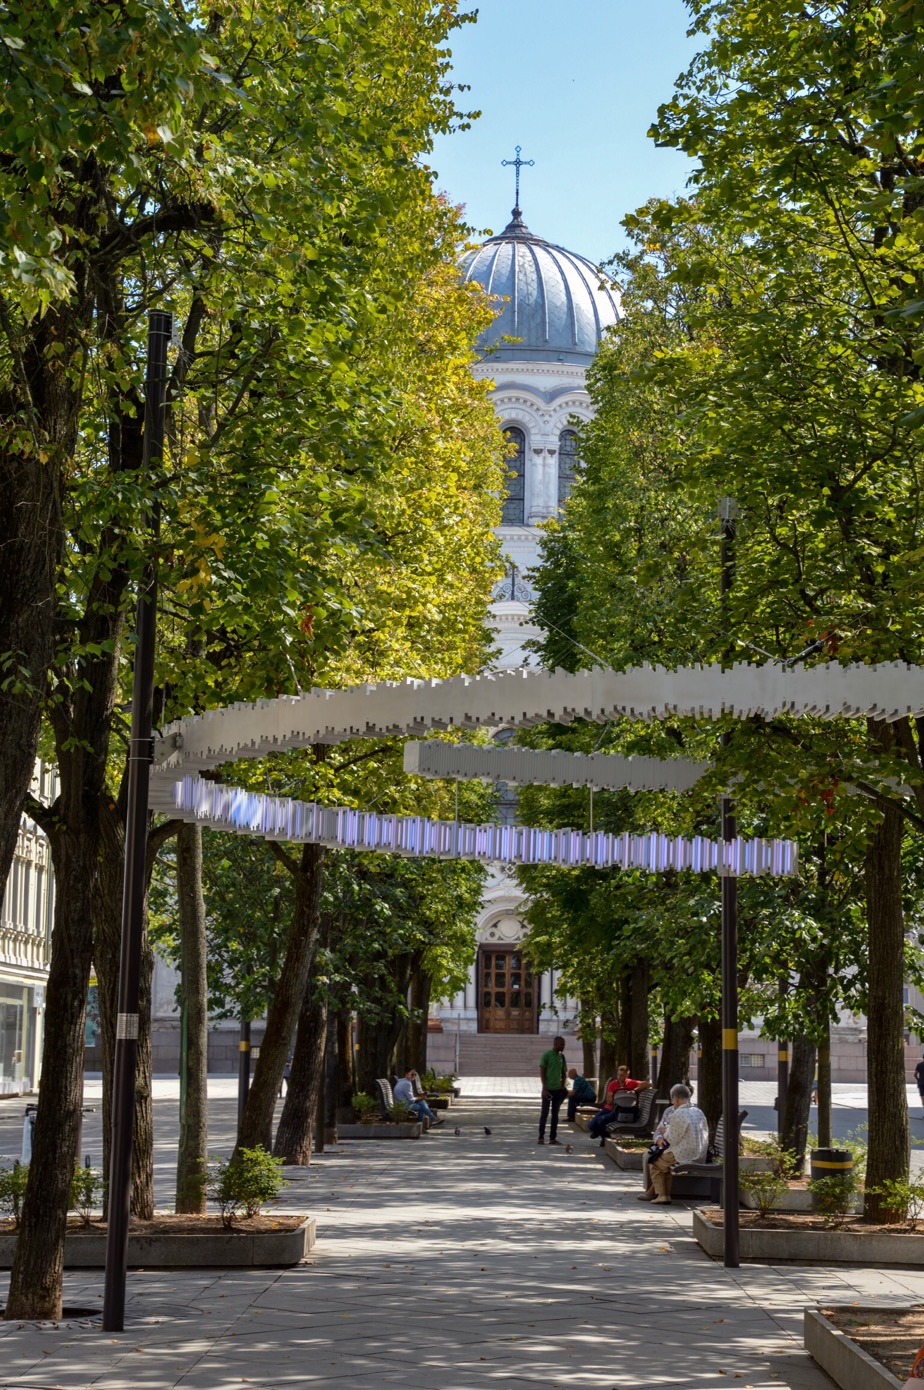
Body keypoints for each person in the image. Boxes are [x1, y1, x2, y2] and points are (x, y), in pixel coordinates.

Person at [637, 1083, 708, 1205]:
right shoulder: (698, 1111)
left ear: (677, 1099)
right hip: (700, 1152)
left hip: (684, 1153)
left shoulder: (678, 1114)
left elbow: (672, 1139)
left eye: (673, 1099)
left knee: (655, 1163)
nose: (672, 1102)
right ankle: (662, 1194)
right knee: (664, 1164)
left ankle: (662, 1195)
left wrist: (664, 1132)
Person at [587, 1065, 651, 1143]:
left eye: (622, 1075)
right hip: (610, 1108)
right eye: (618, 1075)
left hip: (621, 1111)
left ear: (627, 1075)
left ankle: (605, 1139)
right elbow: (609, 1101)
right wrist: (618, 1096)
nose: (619, 1077)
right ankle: (600, 1133)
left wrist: (634, 1091)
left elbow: (648, 1084)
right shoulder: (613, 1084)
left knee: (601, 1120)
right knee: (591, 1125)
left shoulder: (632, 1083)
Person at [538, 1036, 568, 1145]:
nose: (563, 1047)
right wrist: (544, 1088)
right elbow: (542, 1072)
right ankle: (541, 1137)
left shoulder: (562, 1057)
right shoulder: (547, 1055)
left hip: (558, 1090)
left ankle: (552, 1138)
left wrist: (562, 1085)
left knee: (555, 1115)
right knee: (544, 1114)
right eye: (561, 1044)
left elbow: (564, 1072)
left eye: (564, 1044)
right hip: (548, 1090)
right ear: (555, 1044)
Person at [915, 1054, 924, 1119]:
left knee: (923, 1099)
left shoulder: (919, 1065)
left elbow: (915, 1074)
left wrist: (918, 1080)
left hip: (921, 1084)